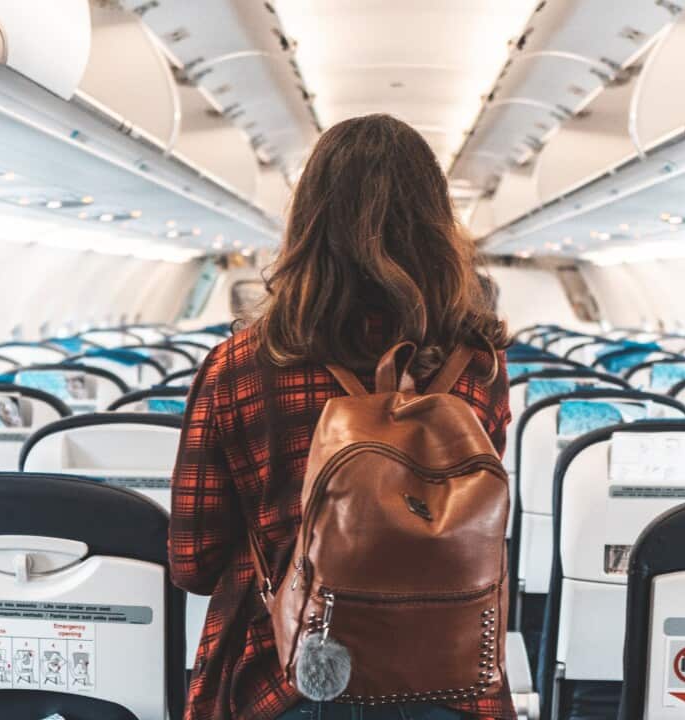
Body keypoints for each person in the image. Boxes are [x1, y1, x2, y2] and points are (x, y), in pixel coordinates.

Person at [169, 114, 513, 720]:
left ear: (307, 221)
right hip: (451, 675)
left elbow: (194, 561)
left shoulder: (240, 365)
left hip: (287, 674)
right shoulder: (477, 365)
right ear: (437, 225)